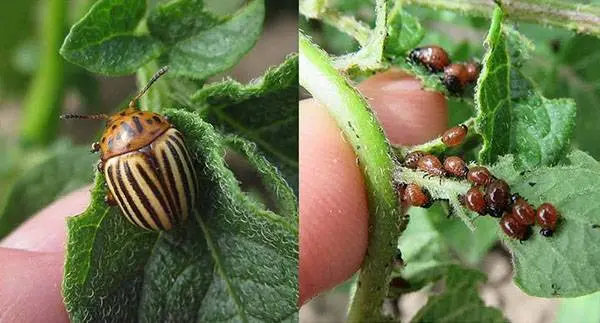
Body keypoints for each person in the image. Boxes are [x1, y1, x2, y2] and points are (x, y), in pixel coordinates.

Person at [0, 71, 448, 320]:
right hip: (175, 196)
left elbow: (119, 178)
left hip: (147, 208)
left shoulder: (112, 159)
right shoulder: (168, 134)